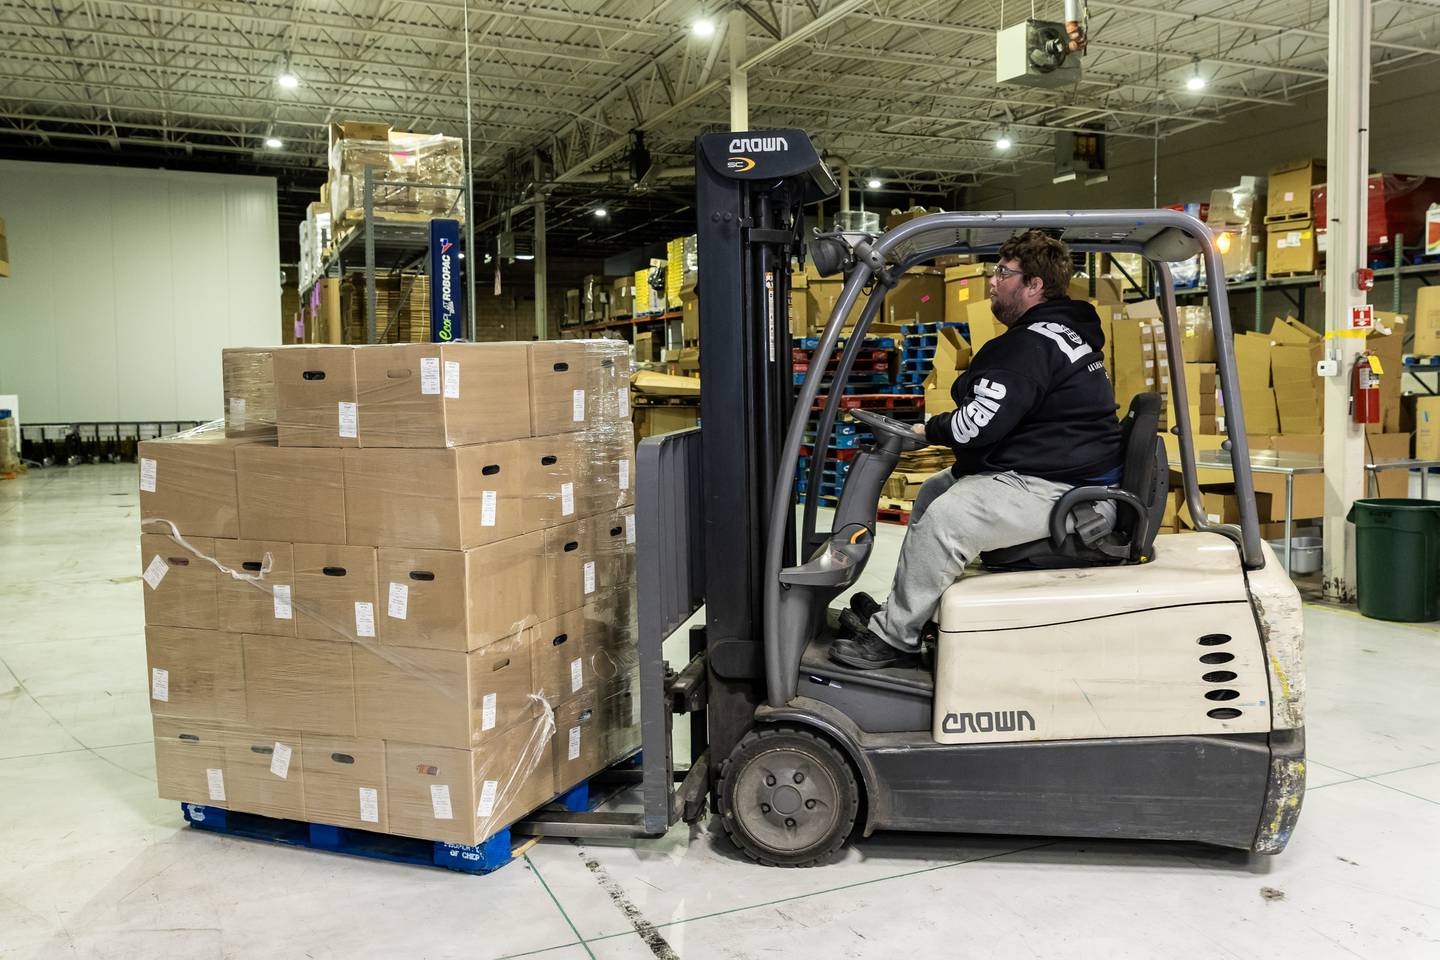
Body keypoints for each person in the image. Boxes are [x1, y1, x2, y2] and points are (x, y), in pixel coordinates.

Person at [831, 229, 1124, 670]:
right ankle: (906, 615)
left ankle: (895, 640)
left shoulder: (1030, 345)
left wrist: (929, 429)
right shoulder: (1058, 334)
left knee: (948, 518)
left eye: (1004, 273)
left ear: (1034, 285)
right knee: (935, 491)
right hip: (1056, 474)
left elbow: (976, 426)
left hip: (1070, 494)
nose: (992, 281)